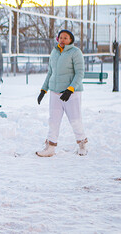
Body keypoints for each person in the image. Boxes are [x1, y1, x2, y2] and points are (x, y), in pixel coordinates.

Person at [36, 29, 88, 157]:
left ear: (71, 40)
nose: (63, 40)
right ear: (57, 39)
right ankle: (50, 147)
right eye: (61, 37)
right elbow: (50, 73)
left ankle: (82, 143)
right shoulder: (54, 52)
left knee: (75, 120)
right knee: (53, 120)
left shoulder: (75, 52)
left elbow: (80, 73)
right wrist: (43, 90)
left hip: (72, 93)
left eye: (66, 38)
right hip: (55, 93)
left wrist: (70, 89)